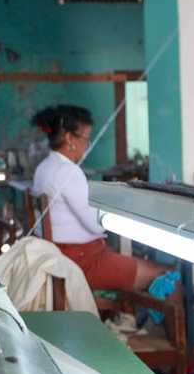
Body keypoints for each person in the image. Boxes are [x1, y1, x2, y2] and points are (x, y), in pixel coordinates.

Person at [30, 105, 165, 293]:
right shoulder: (68, 171)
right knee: (166, 274)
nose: (87, 145)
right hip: (80, 262)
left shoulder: (44, 167)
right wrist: (117, 210)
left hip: (59, 255)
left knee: (135, 264)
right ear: (69, 138)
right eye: (86, 138)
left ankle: (134, 318)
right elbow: (95, 224)